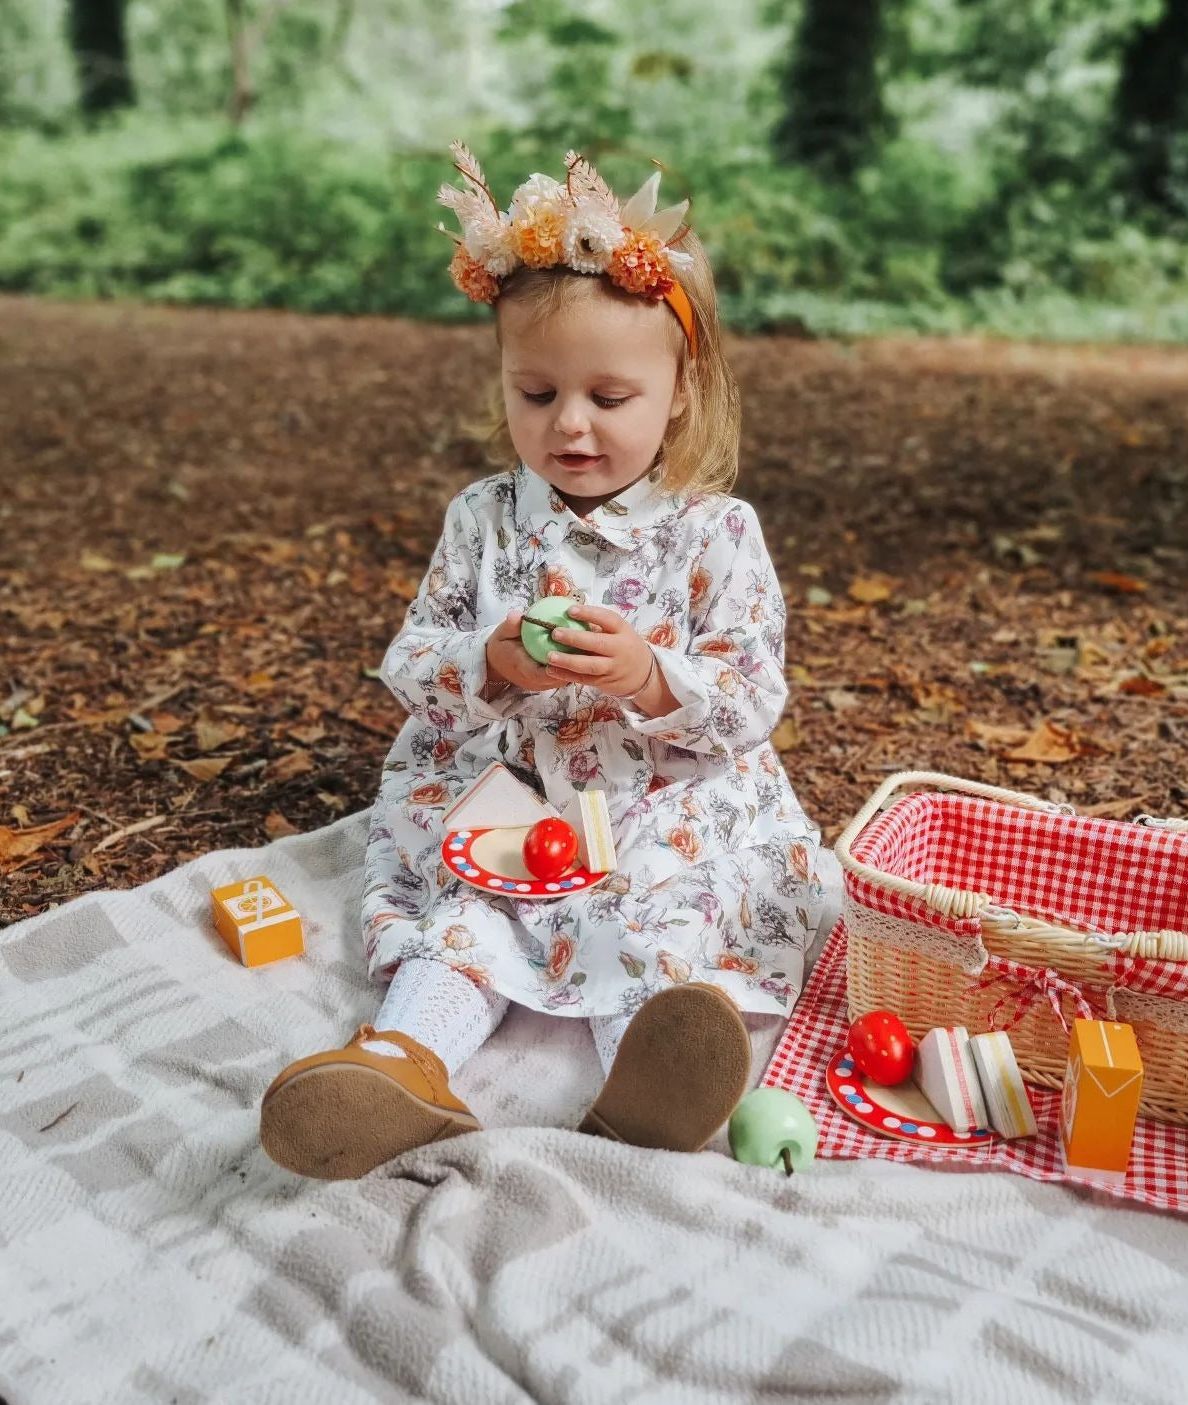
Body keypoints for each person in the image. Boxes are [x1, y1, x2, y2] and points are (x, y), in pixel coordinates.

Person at [260, 143, 824, 1180]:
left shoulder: (712, 532)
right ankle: (402, 1067)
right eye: (536, 393)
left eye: (609, 397)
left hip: (656, 790)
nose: (569, 423)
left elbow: (749, 698)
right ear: (504, 389)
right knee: (470, 906)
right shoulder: (481, 521)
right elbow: (411, 662)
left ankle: (654, 1080)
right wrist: (495, 660)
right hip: (506, 788)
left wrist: (652, 677)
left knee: (658, 902)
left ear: (680, 395)